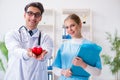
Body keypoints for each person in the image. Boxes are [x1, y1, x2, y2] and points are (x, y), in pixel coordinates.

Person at [4, 2, 53, 80]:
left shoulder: (46, 38)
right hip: (15, 76)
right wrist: (27, 53)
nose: (33, 17)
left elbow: (48, 52)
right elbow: (15, 50)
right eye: (30, 13)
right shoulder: (12, 34)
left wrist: (43, 54)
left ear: (40, 18)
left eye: (37, 15)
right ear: (24, 15)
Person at [52, 14, 102, 80]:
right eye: (67, 27)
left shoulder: (91, 46)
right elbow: (55, 68)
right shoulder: (64, 46)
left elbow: (98, 72)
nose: (70, 29)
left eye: (72, 25)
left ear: (80, 25)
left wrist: (83, 64)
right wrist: (63, 72)